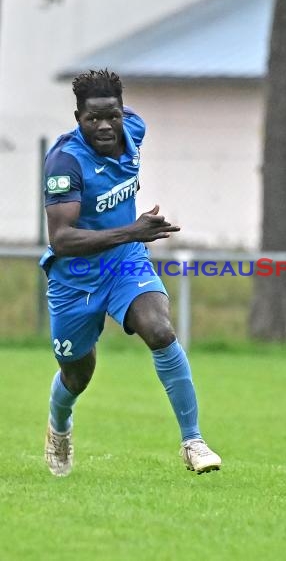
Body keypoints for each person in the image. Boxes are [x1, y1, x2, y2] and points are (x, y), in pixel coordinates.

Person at [39, 69, 221, 477]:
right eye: (92, 119)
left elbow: (124, 123)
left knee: (159, 330)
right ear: (77, 117)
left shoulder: (134, 129)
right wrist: (134, 229)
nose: (105, 126)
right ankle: (59, 427)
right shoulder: (65, 163)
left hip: (125, 263)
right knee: (77, 375)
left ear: (123, 112)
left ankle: (193, 441)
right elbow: (63, 238)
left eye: (112, 116)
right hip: (75, 280)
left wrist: (132, 239)